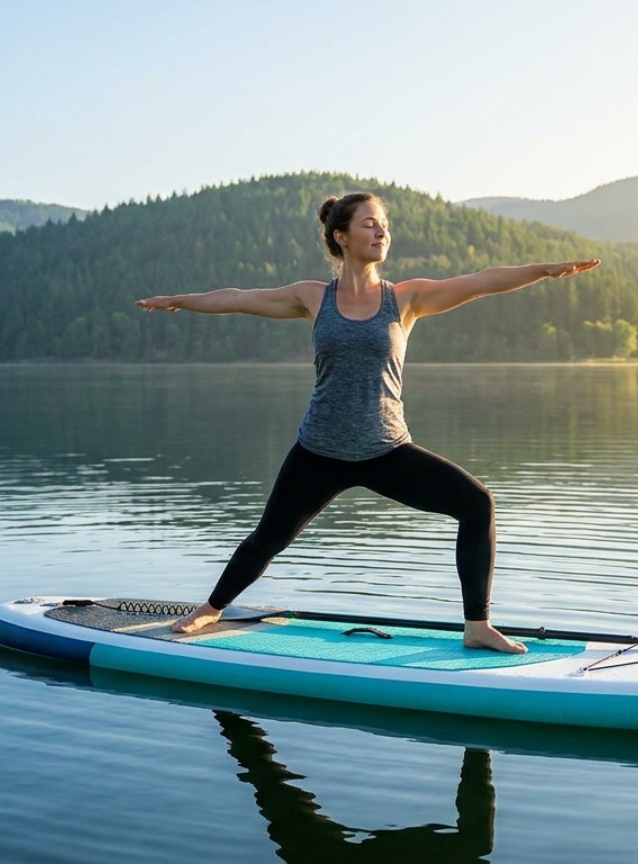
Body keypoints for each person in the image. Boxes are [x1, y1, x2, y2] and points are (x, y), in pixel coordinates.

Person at [136, 192, 599, 653]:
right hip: (319, 450)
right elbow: (238, 299)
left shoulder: (406, 298)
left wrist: (543, 270)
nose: (381, 232)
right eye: (369, 224)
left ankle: (477, 625)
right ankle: (211, 609)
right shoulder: (313, 297)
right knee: (267, 538)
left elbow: (481, 281)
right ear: (341, 236)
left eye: (384, 225)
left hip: (387, 451)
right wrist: (180, 300)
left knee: (477, 504)